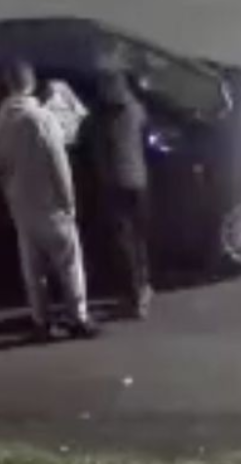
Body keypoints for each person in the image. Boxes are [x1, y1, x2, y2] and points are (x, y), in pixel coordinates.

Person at [0, 60, 98, 341]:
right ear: (31, 83)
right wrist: (69, 202)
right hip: (50, 203)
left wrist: (9, 195)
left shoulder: (1, 117)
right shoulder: (42, 119)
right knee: (69, 262)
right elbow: (58, 163)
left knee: (33, 267)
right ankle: (78, 318)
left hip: (20, 204)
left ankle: (42, 321)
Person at [86, 66, 153, 319]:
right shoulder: (136, 110)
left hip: (115, 184)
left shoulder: (99, 120)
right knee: (139, 238)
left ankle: (135, 297)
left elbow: (93, 150)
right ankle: (144, 286)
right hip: (139, 181)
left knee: (124, 243)